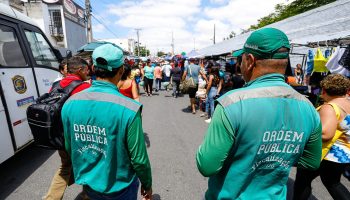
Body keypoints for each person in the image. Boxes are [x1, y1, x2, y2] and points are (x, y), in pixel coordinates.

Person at [196, 28, 322, 200]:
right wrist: (278, 154)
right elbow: (311, 162)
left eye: (241, 59)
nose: (239, 64)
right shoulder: (308, 107)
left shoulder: (232, 103)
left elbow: (207, 166)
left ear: (250, 61)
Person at [61, 44, 152, 200]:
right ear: (122, 70)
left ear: (93, 68)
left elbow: (70, 146)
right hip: (121, 187)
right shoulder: (130, 109)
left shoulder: (70, 103)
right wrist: (147, 183)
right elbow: (139, 159)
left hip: (89, 184)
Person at [293, 74, 350, 200]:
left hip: (325, 154)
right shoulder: (347, 103)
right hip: (342, 155)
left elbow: (325, 133)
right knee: (333, 183)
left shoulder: (330, 107)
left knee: (303, 180)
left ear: (324, 90)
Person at [44, 57, 91, 200]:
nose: (88, 72)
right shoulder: (84, 87)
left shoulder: (56, 84)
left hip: (59, 135)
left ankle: (51, 198)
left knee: (65, 167)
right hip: (78, 137)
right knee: (89, 165)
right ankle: (87, 195)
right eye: (87, 69)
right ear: (80, 70)